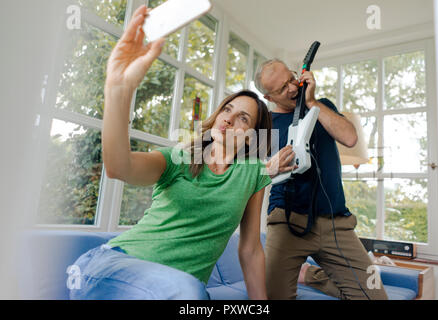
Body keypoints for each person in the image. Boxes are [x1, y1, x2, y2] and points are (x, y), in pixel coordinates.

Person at [69, 5, 272, 300]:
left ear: (252, 138)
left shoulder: (253, 174)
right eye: (227, 109)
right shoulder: (180, 158)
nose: (228, 118)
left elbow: (251, 249)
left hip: (174, 289)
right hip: (111, 267)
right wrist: (118, 90)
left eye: (243, 118)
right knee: (189, 292)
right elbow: (118, 167)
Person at [255, 58, 388, 300]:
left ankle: (311, 275)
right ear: (269, 98)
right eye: (282, 89)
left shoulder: (321, 106)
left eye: (291, 79)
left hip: (336, 222)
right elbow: (251, 172)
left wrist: (312, 101)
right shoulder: (265, 126)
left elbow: (349, 138)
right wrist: (270, 166)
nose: (293, 88)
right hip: (286, 221)